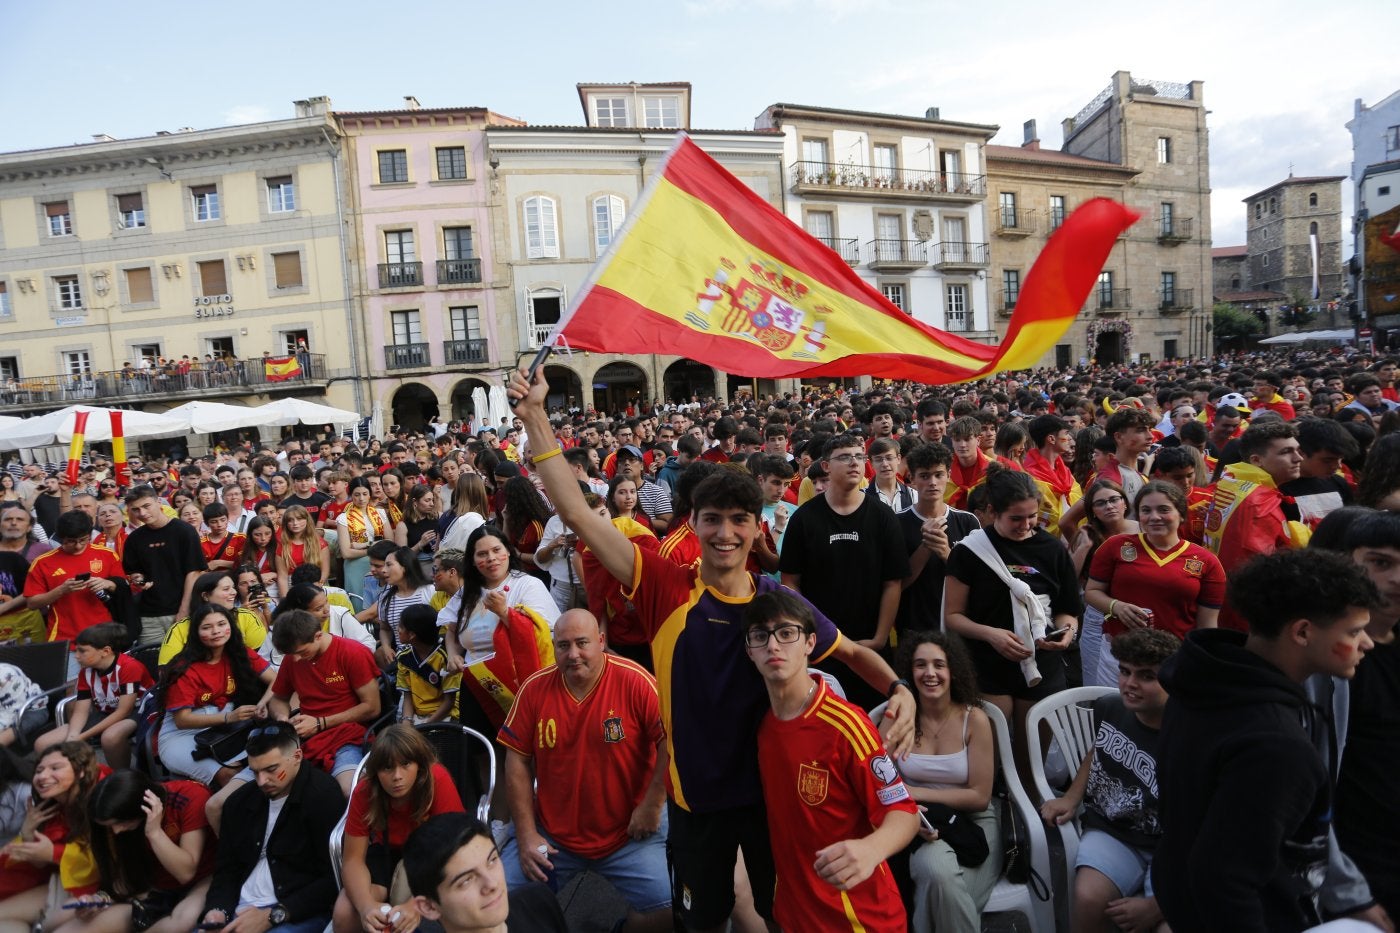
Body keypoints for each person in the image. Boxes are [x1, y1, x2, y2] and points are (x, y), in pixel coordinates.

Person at [509, 365, 915, 932]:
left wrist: (901, 690)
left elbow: (850, 653)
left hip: (770, 799)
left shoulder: (777, 606)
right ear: (694, 525)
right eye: (713, 519)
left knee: (780, 916)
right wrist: (534, 418)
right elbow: (577, 512)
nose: (726, 533)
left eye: (739, 521)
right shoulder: (662, 585)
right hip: (695, 804)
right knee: (702, 923)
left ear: (757, 529)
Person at [1152, 549, 1380, 933]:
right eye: (1353, 632)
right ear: (1303, 631)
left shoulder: (1206, 682)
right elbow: (1225, 879)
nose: (1367, 644)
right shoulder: (1275, 745)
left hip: (1179, 897)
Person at [741, 591, 919, 932]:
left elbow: (905, 813)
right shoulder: (762, 726)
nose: (774, 646)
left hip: (858, 919)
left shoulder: (845, 724)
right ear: (750, 651)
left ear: (810, 643)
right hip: (795, 915)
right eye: (761, 636)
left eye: (786, 633)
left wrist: (871, 849)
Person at [497, 609, 670, 932]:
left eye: (582, 643)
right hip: (553, 835)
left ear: (601, 642)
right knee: (493, 903)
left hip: (630, 834)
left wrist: (652, 805)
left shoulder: (635, 680)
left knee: (670, 904)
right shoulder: (535, 689)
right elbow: (516, 759)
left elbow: (669, 742)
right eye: (563, 646)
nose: (573, 654)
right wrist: (526, 833)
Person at [1041, 628, 1180, 933]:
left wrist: (1155, 906)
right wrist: (1071, 797)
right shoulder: (1111, 707)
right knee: (1088, 897)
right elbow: (1098, 750)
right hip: (1115, 831)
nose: (1130, 684)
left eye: (1147, 676)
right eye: (1125, 671)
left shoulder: (1191, 736)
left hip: (1175, 849)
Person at [943, 469, 1079, 772]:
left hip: (1041, 663)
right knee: (988, 759)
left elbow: (1068, 608)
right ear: (992, 512)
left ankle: (1030, 811)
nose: (1026, 525)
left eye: (1032, 516)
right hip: (987, 665)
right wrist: (992, 635)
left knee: (1032, 761)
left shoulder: (1052, 549)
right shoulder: (969, 552)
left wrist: (1067, 632)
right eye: (1016, 519)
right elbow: (952, 615)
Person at [779, 434, 909, 710]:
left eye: (859, 456)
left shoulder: (882, 517)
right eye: (845, 457)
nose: (854, 463)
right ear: (825, 466)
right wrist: (808, 634)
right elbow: (790, 582)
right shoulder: (804, 518)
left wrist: (880, 636)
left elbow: (893, 582)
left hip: (871, 645)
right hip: (821, 644)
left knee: (875, 720)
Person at [891, 630, 999, 933]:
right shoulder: (898, 717)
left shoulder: (973, 718)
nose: (930, 673)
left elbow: (979, 796)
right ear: (909, 673)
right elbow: (875, 777)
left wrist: (913, 792)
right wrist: (909, 807)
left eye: (939, 665)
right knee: (935, 870)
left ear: (953, 671)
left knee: (935, 883)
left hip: (976, 822)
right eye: (920, 665)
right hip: (923, 825)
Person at [198, 723, 345, 933]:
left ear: (297, 756)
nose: (261, 781)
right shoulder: (239, 802)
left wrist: (273, 915)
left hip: (295, 914)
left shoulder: (323, 797)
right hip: (237, 912)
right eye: (255, 771)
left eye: (271, 769)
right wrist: (217, 910)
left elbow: (334, 878)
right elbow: (226, 870)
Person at [332, 725, 465, 933]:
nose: (397, 776)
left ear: (419, 765)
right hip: (385, 851)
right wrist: (366, 906)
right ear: (376, 772)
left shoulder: (437, 779)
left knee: (420, 917)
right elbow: (352, 860)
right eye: (387, 768)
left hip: (434, 856)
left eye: (405, 764)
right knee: (344, 913)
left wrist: (416, 905)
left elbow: (456, 853)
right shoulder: (365, 791)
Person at [1335, 511, 1400, 920]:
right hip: (1360, 864)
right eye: (1380, 563)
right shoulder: (1332, 663)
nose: (1397, 579)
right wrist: (1349, 892)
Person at [53, 770, 213, 933]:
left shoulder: (190, 797)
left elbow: (185, 872)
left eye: (118, 823)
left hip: (204, 878)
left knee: (181, 922)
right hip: (156, 888)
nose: (116, 831)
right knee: (67, 919)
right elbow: (127, 878)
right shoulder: (127, 824)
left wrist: (154, 832)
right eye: (110, 826)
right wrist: (98, 899)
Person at [441, 526, 557, 736]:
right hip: (476, 684)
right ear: (473, 561)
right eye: (482, 554)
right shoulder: (467, 593)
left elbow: (542, 634)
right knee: (482, 750)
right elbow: (452, 631)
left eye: (496, 550)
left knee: (519, 747)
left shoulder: (528, 585)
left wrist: (505, 613)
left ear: (509, 551)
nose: (492, 558)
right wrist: (452, 654)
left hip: (518, 683)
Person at [1202, 421, 1310, 628]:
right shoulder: (1258, 503)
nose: (1298, 458)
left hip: (1222, 602)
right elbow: (1261, 570)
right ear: (1256, 460)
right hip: (1250, 616)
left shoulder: (1232, 483)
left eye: (1298, 450)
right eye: (1287, 452)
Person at [154, 604, 275, 787]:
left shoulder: (239, 652)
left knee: (265, 762)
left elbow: (277, 681)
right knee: (229, 775)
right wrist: (229, 717)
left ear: (231, 626)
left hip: (228, 728)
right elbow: (182, 720)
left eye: (221, 624)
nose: (216, 631)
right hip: (182, 734)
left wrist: (262, 704)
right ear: (195, 632)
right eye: (207, 627)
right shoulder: (183, 668)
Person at [401, 813, 567, 933]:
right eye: (466, 880)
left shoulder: (538, 900)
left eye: (492, 860)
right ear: (429, 907)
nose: (492, 884)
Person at [0, 742, 101, 927]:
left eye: (55, 768)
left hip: (98, 890)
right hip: (59, 881)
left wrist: (52, 853)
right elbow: (38, 860)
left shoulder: (103, 796)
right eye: (39, 770)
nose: (43, 776)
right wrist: (28, 832)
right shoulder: (49, 805)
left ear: (81, 771)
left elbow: (105, 859)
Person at [23, 511, 125, 677]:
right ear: (60, 538)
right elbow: (32, 603)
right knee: (73, 693)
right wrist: (61, 590)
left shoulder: (106, 554)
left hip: (104, 635)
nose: (78, 546)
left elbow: (123, 589)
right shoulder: (43, 562)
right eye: (71, 541)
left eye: (83, 540)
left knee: (109, 688)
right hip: (66, 639)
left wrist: (108, 583)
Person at [36, 623, 151, 769]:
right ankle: (72, 782)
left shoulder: (128, 667)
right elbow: (81, 711)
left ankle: (122, 776)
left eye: (82, 651)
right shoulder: (86, 672)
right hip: (105, 711)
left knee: (110, 737)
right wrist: (73, 736)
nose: (76, 656)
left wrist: (82, 737)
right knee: (43, 742)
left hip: (137, 711)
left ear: (105, 651)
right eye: (76, 650)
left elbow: (124, 711)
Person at [896, 442, 980, 639]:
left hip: (959, 629)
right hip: (913, 626)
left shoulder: (967, 521)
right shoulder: (896, 522)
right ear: (912, 479)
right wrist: (926, 546)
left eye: (938, 475)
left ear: (948, 475)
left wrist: (947, 555)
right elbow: (896, 585)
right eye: (924, 476)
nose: (932, 482)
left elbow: (977, 581)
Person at [123, 485, 206, 646]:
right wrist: (138, 579)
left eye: (146, 506)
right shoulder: (134, 539)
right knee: (152, 663)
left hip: (180, 608)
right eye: (136, 510)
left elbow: (194, 571)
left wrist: (184, 609)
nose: (143, 513)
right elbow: (133, 572)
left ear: (158, 502)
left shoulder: (184, 531)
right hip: (148, 614)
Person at [158, 570, 270, 666]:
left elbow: (262, 661)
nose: (234, 592)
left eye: (233, 587)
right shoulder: (179, 629)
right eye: (226, 589)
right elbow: (166, 670)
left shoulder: (247, 617)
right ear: (206, 596)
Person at [396, 604, 459, 724]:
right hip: (416, 716)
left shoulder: (445, 657)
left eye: (401, 626)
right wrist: (407, 722)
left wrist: (426, 725)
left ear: (412, 635)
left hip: (445, 717)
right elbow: (407, 696)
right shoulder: (404, 657)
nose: (398, 630)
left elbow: (449, 702)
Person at [1022, 414, 1081, 538]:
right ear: (1051, 439)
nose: (1069, 439)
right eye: (1065, 434)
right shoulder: (1030, 477)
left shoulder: (1065, 471)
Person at [338, 477, 389, 601]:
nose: (361, 498)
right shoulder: (343, 518)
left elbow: (389, 542)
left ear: (369, 494)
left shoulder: (380, 513)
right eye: (357, 494)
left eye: (365, 494)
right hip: (355, 566)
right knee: (359, 601)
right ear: (351, 495)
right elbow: (346, 553)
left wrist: (362, 545)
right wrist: (373, 547)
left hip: (380, 564)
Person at [275, 505, 328, 595]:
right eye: (290, 520)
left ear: (307, 520)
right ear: (286, 523)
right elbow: (282, 577)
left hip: (317, 584)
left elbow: (325, 571)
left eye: (299, 519)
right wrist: (285, 600)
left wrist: (316, 587)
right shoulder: (282, 545)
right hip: (292, 584)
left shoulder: (320, 543)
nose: (295, 523)